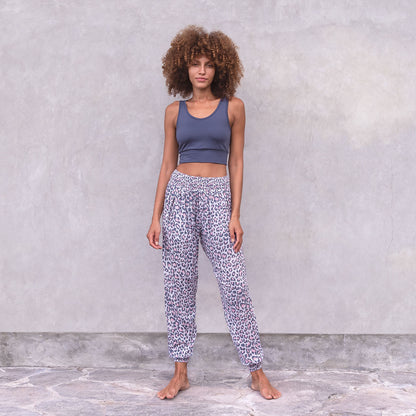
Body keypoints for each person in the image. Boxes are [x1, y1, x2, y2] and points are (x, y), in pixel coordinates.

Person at [146, 25, 281, 401]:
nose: (202, 70)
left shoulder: (233, 107)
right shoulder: (174, 111)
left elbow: (236, 162)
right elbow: (167, 164)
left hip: (218, 196)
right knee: (178, 285)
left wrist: (235, 214)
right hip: (179, 195)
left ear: (220, 67)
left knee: (234, 284)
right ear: (184, 68)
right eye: (195, 64)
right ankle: (180, 372)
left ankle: (256, 371)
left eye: (208, 64)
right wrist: (156, 216)